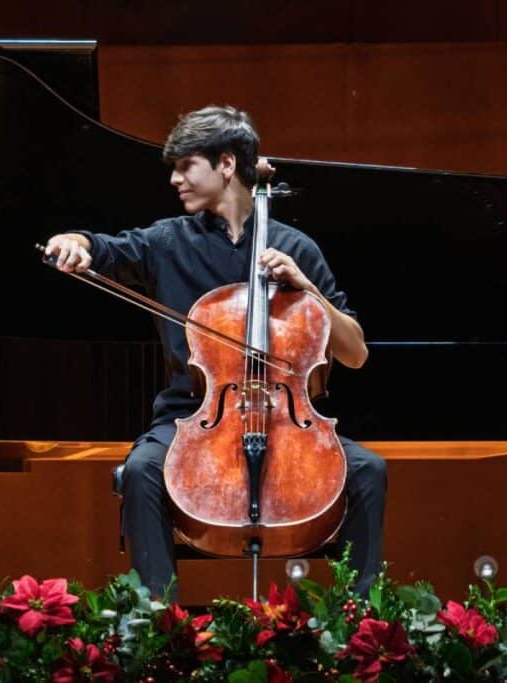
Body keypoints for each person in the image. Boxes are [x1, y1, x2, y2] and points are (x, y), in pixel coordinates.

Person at [44, 106, 386, 598]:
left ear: (227, 164)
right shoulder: (167, 241)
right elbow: (106, 249)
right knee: (143, 471)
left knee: (369, 470)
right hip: (192, 414)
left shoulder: (296, 249)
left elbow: (355, 354)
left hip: (287, 420)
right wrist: (73, 241)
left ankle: (361, 624)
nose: (175, 179)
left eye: (186, 166)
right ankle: (156, 625)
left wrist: (306, 287)